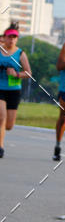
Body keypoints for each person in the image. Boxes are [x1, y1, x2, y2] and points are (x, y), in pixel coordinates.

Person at [0, 23, 32, 158]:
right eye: (9, 37)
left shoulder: (21, 54)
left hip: (14, 90)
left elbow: (28, 73)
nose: (11, 40)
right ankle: (0, 147)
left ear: (17, 39)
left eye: (14, 37)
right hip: (0, 88)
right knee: (1, 117)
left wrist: (17, 74)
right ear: (4, 38)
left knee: (9, 125)